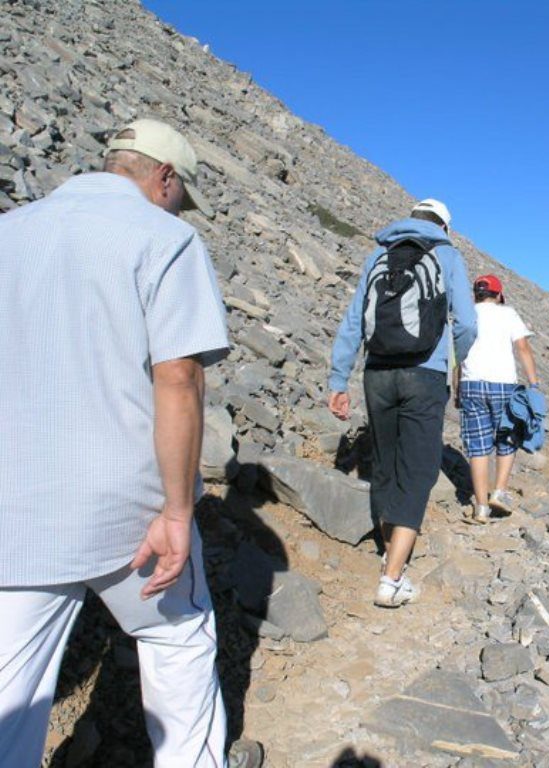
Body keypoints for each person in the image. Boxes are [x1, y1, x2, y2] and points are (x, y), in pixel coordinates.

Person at [0, 119, 262, 767]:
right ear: (163, 176)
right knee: (178, 639)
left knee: (13, 692)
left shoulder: (12, 232)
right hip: (127, 502)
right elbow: (178, 378)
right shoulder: (164, 238)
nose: (179, 209)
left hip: (17, 498)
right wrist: (177, 509)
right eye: (181, 196)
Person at [328, 199, 476, 608]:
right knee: (419, 470)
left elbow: (353, 320)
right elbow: (467, 323)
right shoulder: (447, 255)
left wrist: (338, 379)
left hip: (377, 372)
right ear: (445, 228)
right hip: (424, 374)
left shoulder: (379, 253)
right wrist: (454, 362)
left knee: (385, 463)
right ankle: (392, 578)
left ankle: (389, 547)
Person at [456, 274, 539, 523]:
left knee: (478, 447)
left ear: (475, 294)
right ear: (499, 294)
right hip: (503, 384)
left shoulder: (465, 314)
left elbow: (459, 353)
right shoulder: (508, 314)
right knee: (508, 438)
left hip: (471, 384)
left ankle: (481, 507)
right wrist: (534, 384)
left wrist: (457, 387)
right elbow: (523, 348)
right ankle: (499, 492)